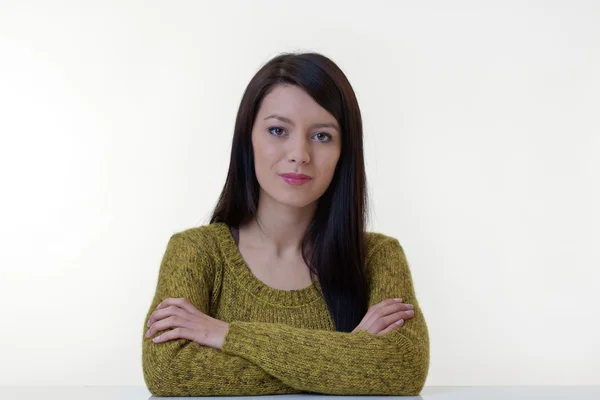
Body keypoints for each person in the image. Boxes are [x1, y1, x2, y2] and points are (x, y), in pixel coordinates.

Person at [142, 52, 430, 396]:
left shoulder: (378, 256)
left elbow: (403, 367)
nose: (299, 154)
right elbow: (168, 372)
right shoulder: (195, 251)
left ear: (344, 152)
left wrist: (225, 334)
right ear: (247, 140)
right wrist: (345, 356)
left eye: (322, 136)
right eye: (278, 130)